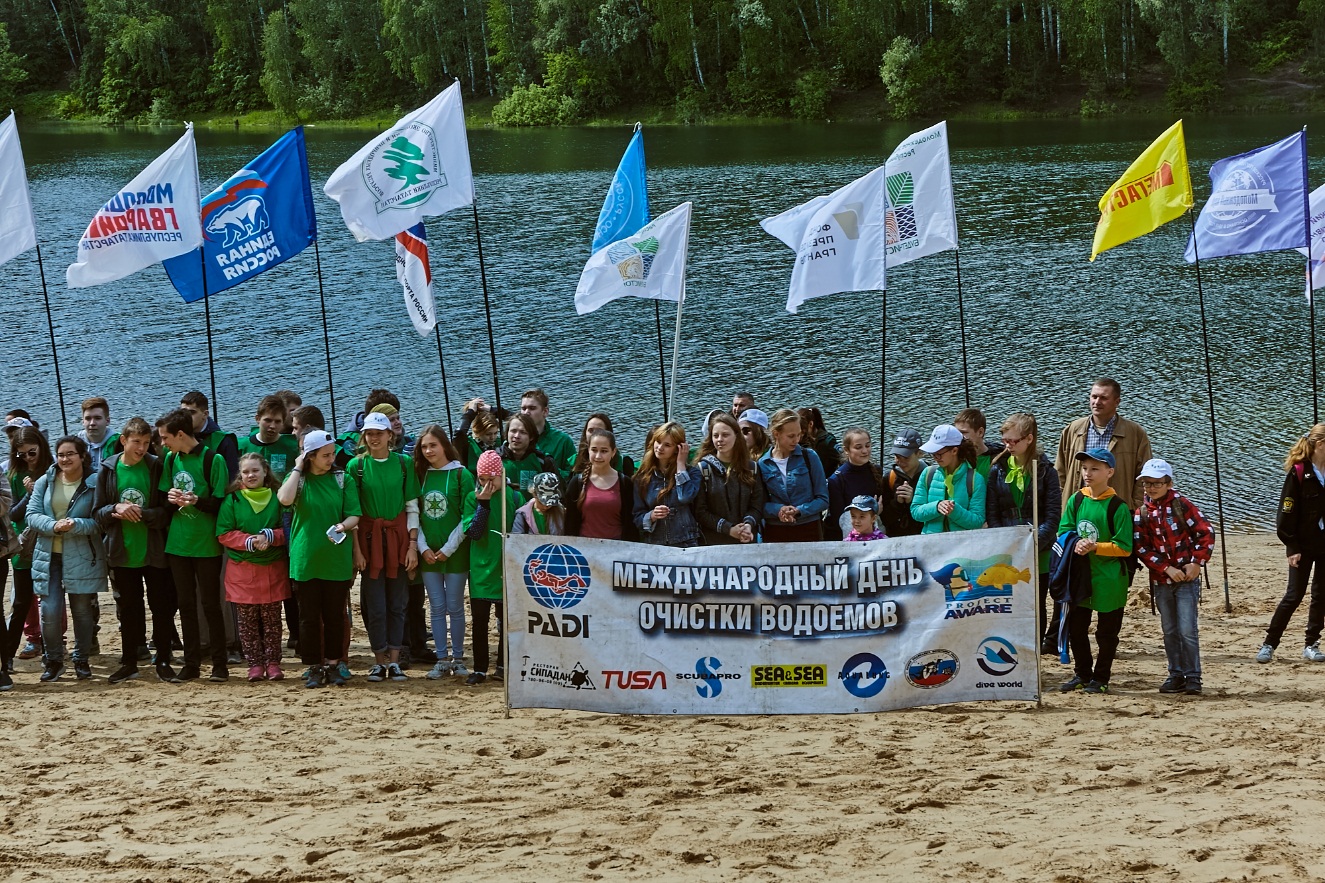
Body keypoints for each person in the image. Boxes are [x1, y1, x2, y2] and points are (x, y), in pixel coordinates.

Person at [94, 417, 178, 684]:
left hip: (154, 551)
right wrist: (116, 508)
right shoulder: (108, 470)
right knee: (129, 610)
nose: (141, 448)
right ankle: (130, 661)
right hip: (121, 552)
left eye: (145, 443)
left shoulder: (156, 466)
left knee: (161, 607)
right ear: (123, 440)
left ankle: (163, 659)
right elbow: (97, 513)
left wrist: (146, 514)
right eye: (136, 443)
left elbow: (167, 512)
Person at [277, 429, 361, 688]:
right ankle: (314, 666)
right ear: (310, 456)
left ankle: (334, 664)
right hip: (306, 558)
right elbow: (284, 499)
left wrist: (343, 527)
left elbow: (354, 515)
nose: (330, 458)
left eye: (331, 453)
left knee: (335, 615)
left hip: (336, 558)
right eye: (324, 455)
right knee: (308, 616)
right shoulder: (299, 480)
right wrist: (297, 468)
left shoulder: (342, 478)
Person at [156, 408, 231, 681]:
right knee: (185, 605)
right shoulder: (170, 459)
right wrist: (173, 499)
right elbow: (164, 499)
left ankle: (220, 664)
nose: (162, 443)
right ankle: (192, 664)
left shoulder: (214, 459)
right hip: (178, 545)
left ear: (180, 434)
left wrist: (197, 501)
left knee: (211, 604)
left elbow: (221, 504)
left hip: (207, 544)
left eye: (166, 437)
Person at [348, 412, 420, 683]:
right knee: (375, 604)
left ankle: (395, 660)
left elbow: (412, 506)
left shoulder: (404, 464)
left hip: (399, 541)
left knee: (398, 603)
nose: (374, 437)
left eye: (379, 432)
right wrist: (356, 551)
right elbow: (353, 513)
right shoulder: (356, 466)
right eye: (369, 432)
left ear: (391, 435)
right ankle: (378, 661)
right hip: (369, 543)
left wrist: (412, 545)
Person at [26, 435, 106, 682]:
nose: (65, 459)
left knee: (82, 611)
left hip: (82, 555)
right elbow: (31, 515)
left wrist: (76, 524)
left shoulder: (94, 482)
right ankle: (54, 660)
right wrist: (53, 525)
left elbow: (101, 520)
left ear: (82, 456)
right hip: (48, 555)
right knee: (49, 611)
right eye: (61, 454)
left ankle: (81, 658)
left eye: (70, 454)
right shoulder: (45, 481)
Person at [1134, 458, 1214, 695]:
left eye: (1157, 483)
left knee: (1187, 629)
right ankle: (1175, 674)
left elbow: (1205, 532)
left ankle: (1193, 677)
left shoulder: (1182, 505)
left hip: (1187, 579)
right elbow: (1141, 547)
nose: (1151, 488)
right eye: (1147, 483)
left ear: (1168, 483)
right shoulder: (1141, 513)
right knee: (1169, 629)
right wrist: (1166, 568)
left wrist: (1197, 562)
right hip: (1162, 580)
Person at [1058, 448, 1134, 695]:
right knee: (1076, 629)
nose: (1087, 474)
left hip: (1109, 580)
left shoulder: (1118, 507)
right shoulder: (1076, 499)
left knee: (1106, 633)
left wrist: (1094, 546)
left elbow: (1124, 548)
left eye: (1094, 469)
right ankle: (1082, 674)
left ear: (1109, 472)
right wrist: (1074, 541)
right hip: (1080, 577)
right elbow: (1064, 530)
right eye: (1085, 469)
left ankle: (1101, 678)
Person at [986, 413, 1062, 654]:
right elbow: (992, 511)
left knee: (1035, 604)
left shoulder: (1045, 471)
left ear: (1029, 439)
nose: (1008, 446)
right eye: (1005, 440)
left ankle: (1034, 654)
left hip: (1037, 548)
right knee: (1009, 604)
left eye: (1013, 441)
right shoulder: (998, 468)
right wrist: (1005, 542)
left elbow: (1052, 517)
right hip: (1008, 547)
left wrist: (1033, 542)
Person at [217, 453, 291, 682]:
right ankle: (255, 664)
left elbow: (287, 528)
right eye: (246, 471)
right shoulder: (233, 500)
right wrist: (248, 541)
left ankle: (273, 663)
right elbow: (223, 533)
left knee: (271, 621)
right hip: (242, 570)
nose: (250, 475)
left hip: (272, 568)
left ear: (265, 472)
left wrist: (271, 536)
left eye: (255, 471)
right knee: (247, 622)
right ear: (240, 474)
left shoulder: (278, 498)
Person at [1258, 425, 1325, 664]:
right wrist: (1291, 546)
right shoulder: (1298, 472)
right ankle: (1269, 644)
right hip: (1302, 546)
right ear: (1320, 444)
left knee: (1321, 595)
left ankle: (1311, 644)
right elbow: (1286, 513)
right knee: (1294, 595)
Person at [413, 424, 473, 680]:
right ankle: (440, 658)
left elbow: (467, 517)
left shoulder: (462, 475)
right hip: (428, 555)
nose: (428, 451)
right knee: (436, 606)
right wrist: (423, 547)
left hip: (455, 553)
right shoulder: (420, 475)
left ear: (445, 445)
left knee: (455, 606)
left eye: (433, 445)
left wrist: (448, 548)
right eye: (424, 446)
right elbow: (414, 513)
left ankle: (458, 658)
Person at [462, 450, 520, 686]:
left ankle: (503, 665)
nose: (486, 485)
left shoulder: (514, 497)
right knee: (479, 621)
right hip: (481, 567)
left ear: (501, 475)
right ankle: (479, 668)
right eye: (482, 479)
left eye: (491, 480)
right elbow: (474, 532)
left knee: (506, 620)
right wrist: (482, 504)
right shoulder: (472, 498)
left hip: (506, 567)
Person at [1054, 378, 1152, 510]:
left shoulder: (1135, 433)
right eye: (1094, 397)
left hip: (1115, 510)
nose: (1097, 402)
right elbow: (1060, 472)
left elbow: (1144, 475)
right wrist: (1061, 505)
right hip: (1078, 508)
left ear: (1117, 402)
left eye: (1103, 398)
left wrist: (1135, 506)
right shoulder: (1073, 430)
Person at [6, 427, 51, 669]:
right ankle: (8, 655)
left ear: (41, 447)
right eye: (21, 454)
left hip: (49, 543)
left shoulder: (53, 470)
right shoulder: (15, 475)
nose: (27, 458)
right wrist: (29, 494)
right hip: (24, 546)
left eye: (31, 453)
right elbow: (12, 512)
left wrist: (40, 491)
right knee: (22, 602)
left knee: (51, 600)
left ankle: (53, 651)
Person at [758, 409, 829, 543]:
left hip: (809, 529)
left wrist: (799, 510)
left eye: (799, 435)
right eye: (791, 436)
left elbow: (823, 499)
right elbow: (759, 505)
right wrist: (779, 510)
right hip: (776, 532)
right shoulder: (762, 464)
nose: (796, 440)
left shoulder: (810, 457)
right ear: (776, 434)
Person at [694, 413, 763, 545]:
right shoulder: (703, 469)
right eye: (716, 436)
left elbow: (757, 505)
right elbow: (700, 512)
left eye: (725, 435)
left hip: (746, 540)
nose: (720, 439)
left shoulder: (752, 468)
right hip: (714, 544)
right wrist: (729, 529)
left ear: (736, 436)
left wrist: (748, 525)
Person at [633, 422, 702, 547]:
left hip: (686, 542)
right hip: (655, 544)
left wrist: (681, 465)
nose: (660, 448)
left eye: (667, 445)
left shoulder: (693, 473)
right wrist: (651, 516)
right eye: (658, 442)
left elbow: (685, 497)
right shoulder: (642, 477)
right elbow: (637, 517)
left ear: (678, 448)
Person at [911, 424, 987, 534]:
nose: (936, 458)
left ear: (954, 451)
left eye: (939, 454)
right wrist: (937, 506)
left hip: (962, 545)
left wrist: (954, 511)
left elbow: (977, 521)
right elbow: (915, 512)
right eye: (933, 454)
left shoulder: (976, 479)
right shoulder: (928, 473)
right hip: (930, 543)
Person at [565, 429, 636, 541]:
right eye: (594, 450)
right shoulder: (577, 483)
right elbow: (570, 523)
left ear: (613, 452)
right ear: (588, 450)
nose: (598, 456)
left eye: (604, 451)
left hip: (617, 548)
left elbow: (631, 523)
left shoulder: (625, 483)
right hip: (584, 548)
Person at [826, 428, 885, 541]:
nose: (865, 451)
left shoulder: (877, 471)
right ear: (846, 450)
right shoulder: (836, 480)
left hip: (877, 534)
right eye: (858, 447)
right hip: (851, 537)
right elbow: (839, 520)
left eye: (867, 446)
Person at [179, 390, 240, 481]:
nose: (186, 417)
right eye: (183, 412)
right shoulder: (176, 437)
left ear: (205, 414)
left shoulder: (224, 441)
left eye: (192, 413)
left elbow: (233, 478)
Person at [238, 394, 300, 482]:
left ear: (283, 421)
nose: (272, 426)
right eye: (268, 420)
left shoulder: (293, 445)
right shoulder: (240, 445)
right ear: (258, 419)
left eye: (277, 421)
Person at [500, 413, 559, 499]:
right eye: (513, 431)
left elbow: (556, 495)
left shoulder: (543, 461)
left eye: (523, 432)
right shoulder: (495, 459)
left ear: (531, 437)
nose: (516, 436)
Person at [879, 428, 924, 538]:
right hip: (894, 539)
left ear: (919, 453)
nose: (901, 461)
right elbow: (885, 520)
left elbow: (933, 518)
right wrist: (897, 503)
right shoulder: (889, 478)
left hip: (922, 538)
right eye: (897, 456)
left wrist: (912, 502)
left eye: (906, 457)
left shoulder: (931, 477)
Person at [521, 388, 576, 477]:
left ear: (545, 411)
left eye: (532, 408)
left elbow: (573, 475)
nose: (526, 412)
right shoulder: (514, 441)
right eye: (523, 408)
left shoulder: (563, 441)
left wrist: (550, 469)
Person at [572, 413, 635, 477]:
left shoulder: (623, 462)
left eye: (599, 431)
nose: (594, 434)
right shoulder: (574, 461)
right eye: (590, 430)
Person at [953, 408, 1004, 481]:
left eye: (963, 432)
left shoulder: (998, 461)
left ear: (980, 432)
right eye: (956, 432)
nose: (958, 437)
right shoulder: (955, 458)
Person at [78, 397, 119, 473]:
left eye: (97, 418)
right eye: (88, 418)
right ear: (83, 421)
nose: (92, 423)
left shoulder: (119, 443)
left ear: (107, 421)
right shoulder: (76, 444)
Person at [798, 407, 841, 475]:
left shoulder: (827, 441)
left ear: (811, 424)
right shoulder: (802, 442)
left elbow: (842, 459)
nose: (800, 433)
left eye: (801, 428)